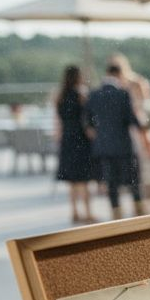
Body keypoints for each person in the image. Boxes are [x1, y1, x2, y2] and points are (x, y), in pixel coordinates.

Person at [86, 61, 148, 218]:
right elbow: (131, 119)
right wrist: (143, 124)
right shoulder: (123, 94)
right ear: (119, 74)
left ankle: (116, 213)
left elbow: (88, 121)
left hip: (103, 146)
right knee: (133, 180)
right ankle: (139, 211)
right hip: (123, 145)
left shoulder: (93, 95)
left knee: (111, 182)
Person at [52, 64, 96, 224]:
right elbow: (87, 118)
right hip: (80, 139)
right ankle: (88, 212)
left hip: (66, 139)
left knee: (71, 180)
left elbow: (58, 120)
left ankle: (74, 212)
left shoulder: (59, 96)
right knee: (83, 179)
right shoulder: (81, 95)